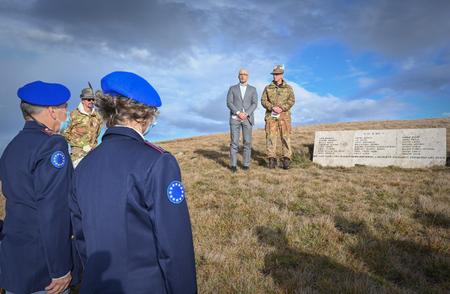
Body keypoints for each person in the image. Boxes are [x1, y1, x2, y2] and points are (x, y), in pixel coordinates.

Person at [69, 71, 197, 293]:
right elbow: (174, 245)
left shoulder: (84, 165)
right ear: (143, 116)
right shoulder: (157, 162)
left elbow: (81, 238)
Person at [0, 81, 74, 294]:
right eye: (64, 109)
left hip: (14, 261)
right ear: (52, 111)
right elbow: (54, 210)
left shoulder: (13, 146)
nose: (66, 114)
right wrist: (60, 269)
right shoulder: (52, 145)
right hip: (43, 267)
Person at [261, 65, 296, 169]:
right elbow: (263, 100)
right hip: (271, 117)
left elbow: (291, 100)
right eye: (274, 74)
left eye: (277, 74)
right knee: (271, 138)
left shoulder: (288, 88)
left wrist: (282, 108)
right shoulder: (268, 88)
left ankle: (286, 159)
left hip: (284, 117)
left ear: (281, 75)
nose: (275, 76)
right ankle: (271, 159)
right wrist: (272, 107)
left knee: (285, 137)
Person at [226, 69, 258, 172]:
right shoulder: (232, 88)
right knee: (234, 142)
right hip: (235, 119)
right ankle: (233, 165)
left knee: (247, 142)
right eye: (241, 74)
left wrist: (246, 113)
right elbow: (229, 103)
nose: (243, 76)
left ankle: (246, 164)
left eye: (245, 74)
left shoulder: (253, 89)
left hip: (247, 119)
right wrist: (238, 113)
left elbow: (254, 103)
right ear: (238, 76)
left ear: (247, 76)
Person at [63, 85, 102, 167]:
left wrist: (92, 146)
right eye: (88, 99)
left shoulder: (97, 116)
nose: (91, 101)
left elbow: (97, 134)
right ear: (82, 100)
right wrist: (82, 145)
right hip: (77, 156)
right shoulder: (73, 115)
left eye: (93, 99)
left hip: (93, 156)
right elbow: (65, 133)